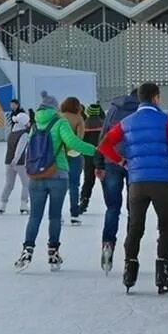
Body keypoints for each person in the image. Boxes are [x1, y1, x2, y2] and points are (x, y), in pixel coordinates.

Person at [96, 84, 168, 294]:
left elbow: (104, 145)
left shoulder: (126, 123)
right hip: (162, 181)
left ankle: (129, 269)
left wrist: (122, 162)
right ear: (156, 98)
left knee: (136, 226)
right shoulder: (166, 121)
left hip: (137, 181)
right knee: (165, 227)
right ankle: (163, 271)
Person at [16, 92, 97, 274]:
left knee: (34, 216)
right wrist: (95, 150)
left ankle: (27, 250)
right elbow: (73, 143)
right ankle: (53, 252)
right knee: (54, 216)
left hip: (36, 175)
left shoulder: (35, 124)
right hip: (58, 173)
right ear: (54, 108)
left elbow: (30, 147)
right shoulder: (60, 123)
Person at [93, 88, 140, 274]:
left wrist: (99, 163)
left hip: (111, 160)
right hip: (134, 163)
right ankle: (130, 251)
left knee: (113, 207)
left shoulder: (113, 109)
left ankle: (108, 243)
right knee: (133, 208)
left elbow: (103, 135)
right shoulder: (142, 111)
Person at [60, 97, 86, 226]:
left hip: (59, 155)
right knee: (74, 185)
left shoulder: (59, 117)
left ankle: (57, 214)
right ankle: (74, 214)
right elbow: (79, 138)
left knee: (59, 186)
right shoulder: (78, 118)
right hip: (74, 154)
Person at [1, 107, 31, 215]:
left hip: (8, 161)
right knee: (26, 183)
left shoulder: (11, 133)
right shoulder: (24, 134)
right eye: (28, 122)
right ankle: (24, 204)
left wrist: (12, 161)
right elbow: (20, 148)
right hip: (19, 162)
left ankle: (3, 205)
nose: (29, 124)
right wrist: (16, 160)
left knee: (9, 184)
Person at [79, 104, 105, 213]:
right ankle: (111, 201)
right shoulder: (103, 124)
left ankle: (84, 200)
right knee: (105, 180)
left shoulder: (84, 124)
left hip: (88, 156)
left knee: (88, 179)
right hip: (102, 154)